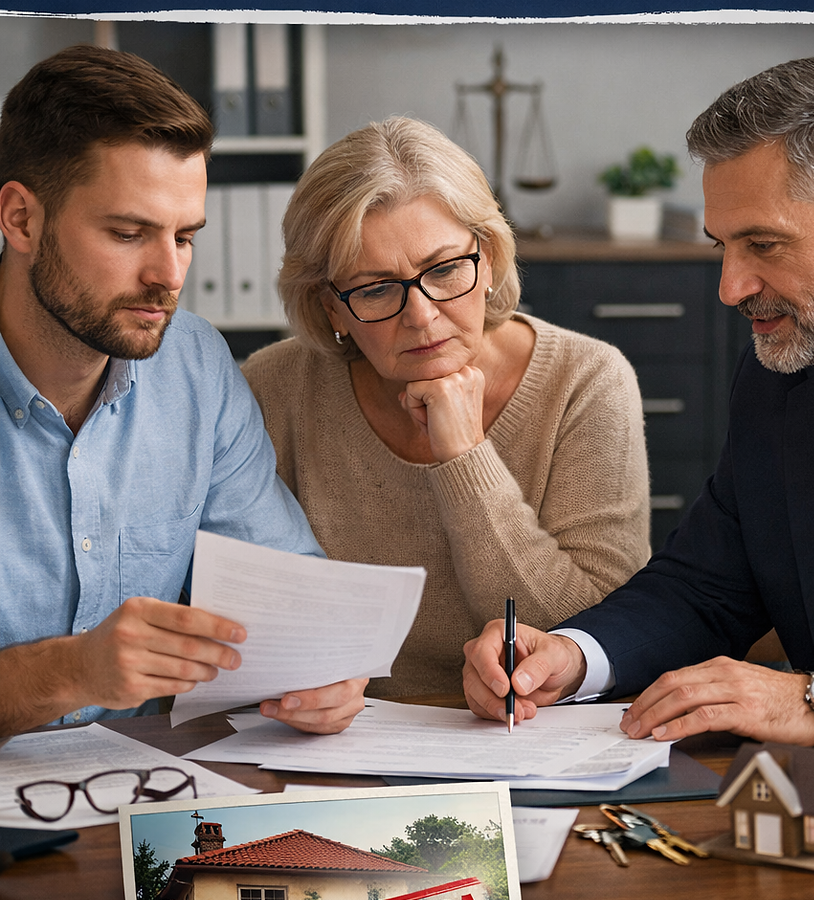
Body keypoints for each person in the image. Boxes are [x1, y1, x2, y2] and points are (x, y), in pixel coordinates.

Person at [464, 55, 814, 753]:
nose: (731, 288)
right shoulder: (781, 370)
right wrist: (574, 656)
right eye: (723, 247)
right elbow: (710, 585)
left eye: (763, 244)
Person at [0, 44, 366, 738]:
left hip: (145, 785)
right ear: (21, 219)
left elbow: (285, 592)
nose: (168, 276)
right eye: (128, 233)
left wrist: (321, 666)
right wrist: (70, 671)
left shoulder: (194, 364)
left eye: (186, 237)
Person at [243, 116, 650, 699]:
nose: (422, 315)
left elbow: (593, 632)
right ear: (331, 308)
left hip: (531, 731)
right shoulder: (275, 387)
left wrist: (465, 457)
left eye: (445, 269)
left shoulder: (586, 380)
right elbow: (249, 615)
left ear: (489, 259)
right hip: (333, 733)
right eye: (375, 288)